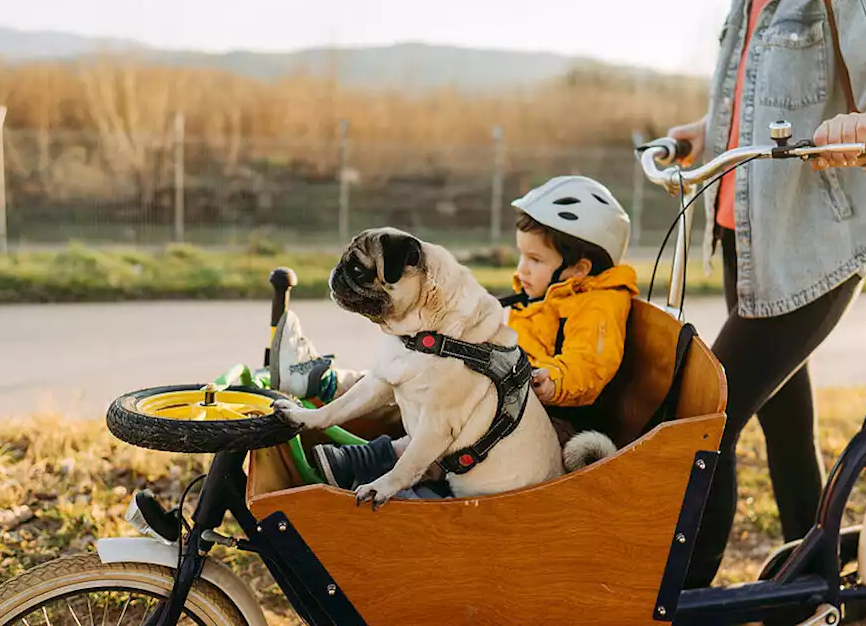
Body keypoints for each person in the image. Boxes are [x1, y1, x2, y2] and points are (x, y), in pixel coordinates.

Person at [663, 0, 866, 588]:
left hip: (811, 246)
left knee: (706, 413)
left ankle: (684, 598)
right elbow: (756, 95)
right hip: (749, 245)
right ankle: (806, 587)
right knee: (785, 430)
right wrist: (700, 134)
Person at [273, 175, 640, 493]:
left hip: (543, 423)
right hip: (501, 399)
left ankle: (355, 451)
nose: (522, 269)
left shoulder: (598, 307)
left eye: (535, 260)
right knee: (418, 379)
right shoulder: (543, 298)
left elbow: (591, 362)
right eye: (521, 256)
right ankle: (322, 383)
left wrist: (554, 381)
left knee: (433, 404)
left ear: (577, 270)